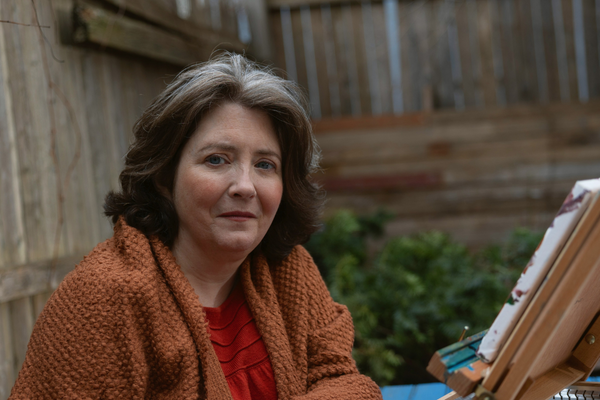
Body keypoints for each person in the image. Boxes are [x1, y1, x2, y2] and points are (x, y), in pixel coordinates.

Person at [9, 54, 382, 399]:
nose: (245, 186)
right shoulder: (105, 298)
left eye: (265, 165)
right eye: (217, 159)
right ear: (164, 176)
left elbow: (343, 382)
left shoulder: (288, 270)